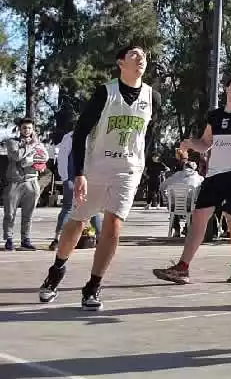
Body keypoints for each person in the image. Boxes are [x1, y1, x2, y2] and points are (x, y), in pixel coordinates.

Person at [38, 45, 161, 309]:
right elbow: (81, 132)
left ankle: (93, 286)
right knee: (77, 220)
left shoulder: (153, 97)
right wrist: (79, 173)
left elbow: (148, 136)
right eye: (134, 56)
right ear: (120, 63)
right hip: (97, 167)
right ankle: (56, 270)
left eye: (144, 57)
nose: (141, 60)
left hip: (128, 170)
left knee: (114, 226)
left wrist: (142, 164)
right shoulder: (106, 92)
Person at [153, 75, 231, 285]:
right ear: (226, 89)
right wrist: (190, 143)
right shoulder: (215, 116)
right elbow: (205, 143)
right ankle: (182, 268)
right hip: (213, 176)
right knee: (198, 220)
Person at [49, 128, 102, 251]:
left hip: (91, 179)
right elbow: (62, 157)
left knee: (93, 209)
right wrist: (65, 179)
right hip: (73, 178)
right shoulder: (70, 137)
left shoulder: (98, 136)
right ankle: (57, 239)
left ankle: (100, 238)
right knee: (67, 208)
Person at [3, 118, 47, 251]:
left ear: (33, 129)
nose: (27, 130)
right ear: (20, 129)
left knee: (28, 213)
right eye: (24, 128)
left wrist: (33, 158)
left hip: (32, 181)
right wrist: (31, 146)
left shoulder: (38, 143)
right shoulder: (12, 142)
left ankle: (25, 240)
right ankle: (9, 239)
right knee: (10, 213)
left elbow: (44, 158)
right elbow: (16, 156)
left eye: (29, 128)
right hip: (15, 182)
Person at [160, 160, 203, 237]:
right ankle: (187, 228)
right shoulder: (199, 178)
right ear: (195, 168)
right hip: (191, 205)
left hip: (175, 205)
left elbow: (162, 186)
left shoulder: (176, 175)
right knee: (196, 207)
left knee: (172, 205)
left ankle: (176, 230)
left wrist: (166, 199)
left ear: (184, 167)